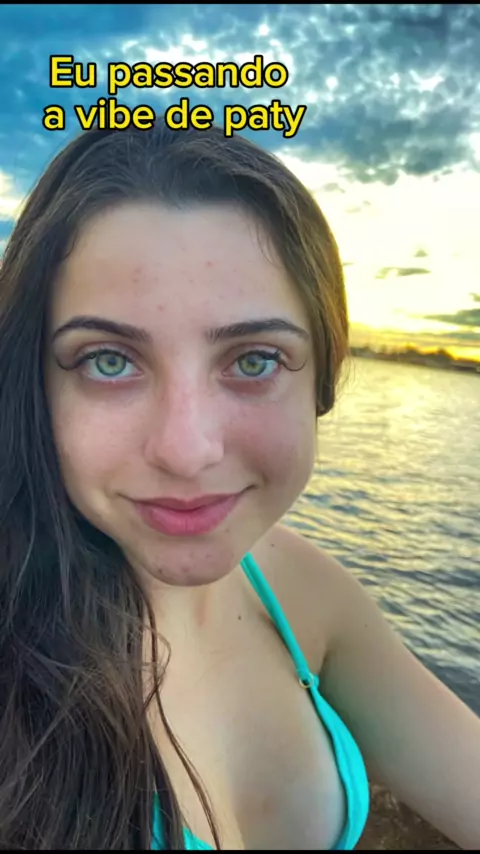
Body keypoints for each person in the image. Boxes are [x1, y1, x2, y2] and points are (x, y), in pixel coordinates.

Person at [0, 117, 478, 852]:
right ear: (33, 384)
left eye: (255, 360)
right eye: (107, 360)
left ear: (321, 382)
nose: (187, 450)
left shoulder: (302, 590)